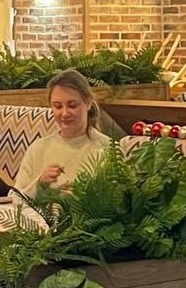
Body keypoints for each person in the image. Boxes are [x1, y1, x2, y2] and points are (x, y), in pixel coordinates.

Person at [13, 69, 112, 198]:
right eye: (58, 106)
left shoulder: (108, 149)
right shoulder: (38, 149)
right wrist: (40, 183)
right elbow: (16, 198)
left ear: (88, 103)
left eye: (72, 105)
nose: (65, 113)